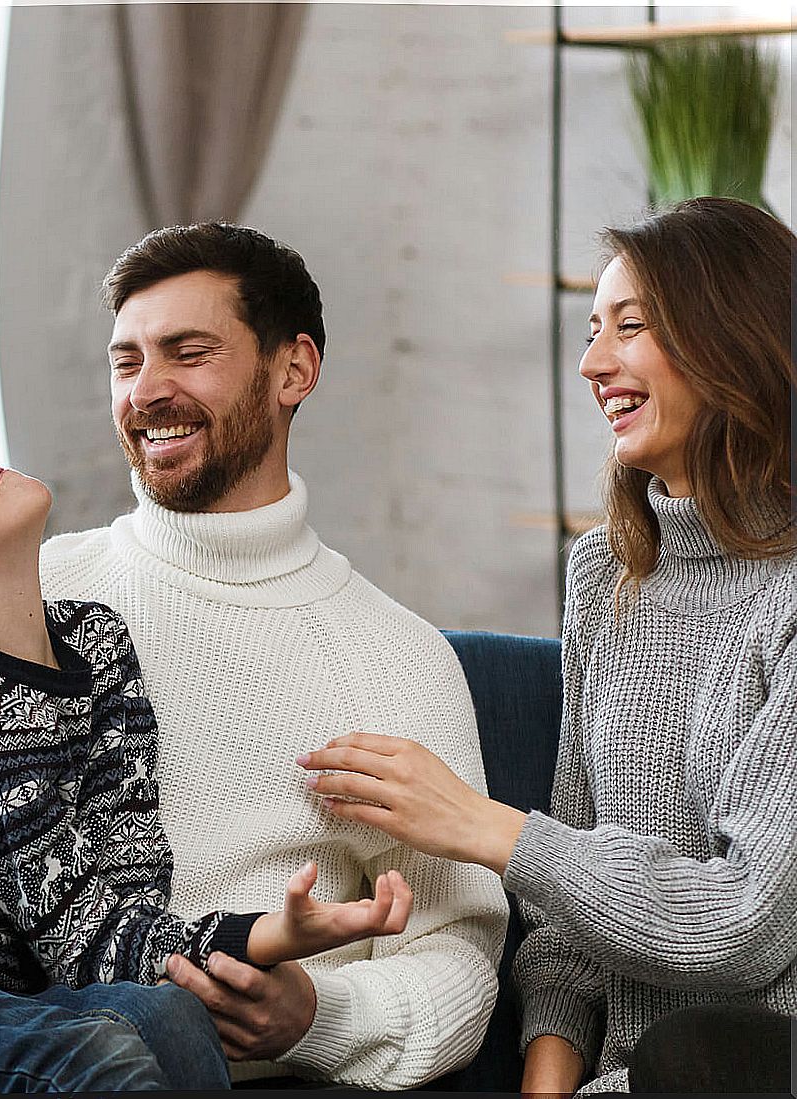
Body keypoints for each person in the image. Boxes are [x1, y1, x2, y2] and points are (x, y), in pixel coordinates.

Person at [0, 223, 510, 1088]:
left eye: (188, 352)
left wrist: (317, 1018)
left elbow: (463, 953)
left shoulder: (391, 658)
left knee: (147, 1023)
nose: (148, 391)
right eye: (126, 361)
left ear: (293, 369)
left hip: (142, 1026)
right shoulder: (24, 592)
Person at [0, 395, 415, 1095]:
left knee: (169, 1014)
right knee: (90, 1059)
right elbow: (80, 940)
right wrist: (273, 932)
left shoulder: (98, 641)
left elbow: (121, 912)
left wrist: (281, 935)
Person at [295, 196, 797, 1094]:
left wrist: (484, 826)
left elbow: (744, 925)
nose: (592, 363)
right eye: (592, 329)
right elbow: (565, 930)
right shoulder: (607, 574)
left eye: (630, 327)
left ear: (734, 339)